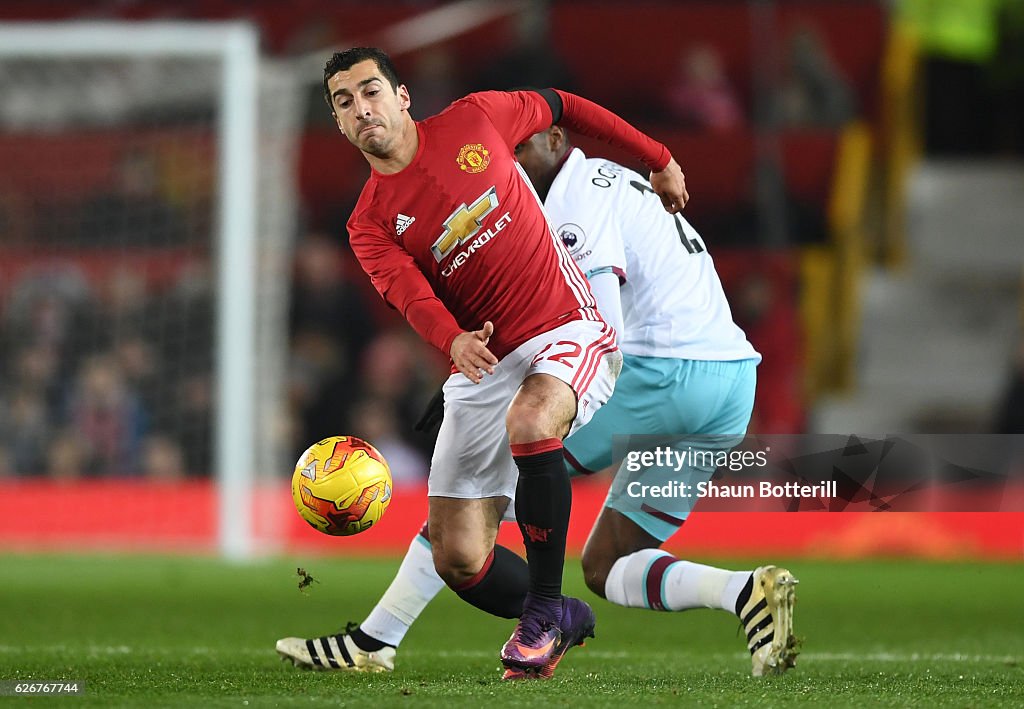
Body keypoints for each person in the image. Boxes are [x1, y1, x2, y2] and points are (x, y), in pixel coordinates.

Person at [277, 125, 799, 678]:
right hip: (729, 383)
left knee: (479, 480)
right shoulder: (609, 181)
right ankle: (745, 593)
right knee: (607, 565)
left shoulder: (575, 199)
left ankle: (376, 640)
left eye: (518, 144)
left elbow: (596, 330)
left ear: (554, 139)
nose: (509, 155)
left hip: (661, 372)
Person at [292, 48, 688, 679]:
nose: (361, 108)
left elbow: (565, 106)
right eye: (344, 102)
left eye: (370, 91)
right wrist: (451, 340)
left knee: (533, 422)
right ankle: (561, 614)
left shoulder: (476, 120)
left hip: (568, 329)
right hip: (483, 361)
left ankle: (540, 618)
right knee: (457, 554)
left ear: (402, 97)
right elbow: (409, 294)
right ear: (338, 123)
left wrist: (658, 156)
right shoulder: (368, 222)